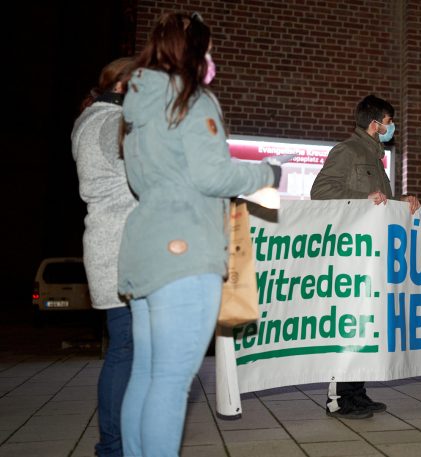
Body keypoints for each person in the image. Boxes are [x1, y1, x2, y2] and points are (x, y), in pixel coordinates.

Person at [117, 12, 281, 456]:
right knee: (171, 384)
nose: (211, 60)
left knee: (147, 376)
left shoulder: (138, 108)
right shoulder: (192, 98)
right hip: (185, 254)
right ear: (191, 53)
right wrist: (268, 172)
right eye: (207, 51)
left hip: (143, 249)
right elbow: (211, 174)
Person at [311, 94, 420, 419]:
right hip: (349, 254)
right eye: (389, 122)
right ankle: (339, 399)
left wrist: (402, 200)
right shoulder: (347, 151)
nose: (391, 127)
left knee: (362, 325)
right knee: (347, 325)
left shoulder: (376, 158)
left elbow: (380, 203)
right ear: (376, 124)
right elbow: (321, 192)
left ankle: (357, 392)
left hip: (369, 256)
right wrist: (363, 197)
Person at [71, 57, 136, 457]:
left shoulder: (90, 119)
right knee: (127, 350)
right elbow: (145, 176)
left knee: (125, 349)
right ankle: (113, 447)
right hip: (122, 251)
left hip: (110, 247)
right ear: (127, 85)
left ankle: (117, 443)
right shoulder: (111, 123)